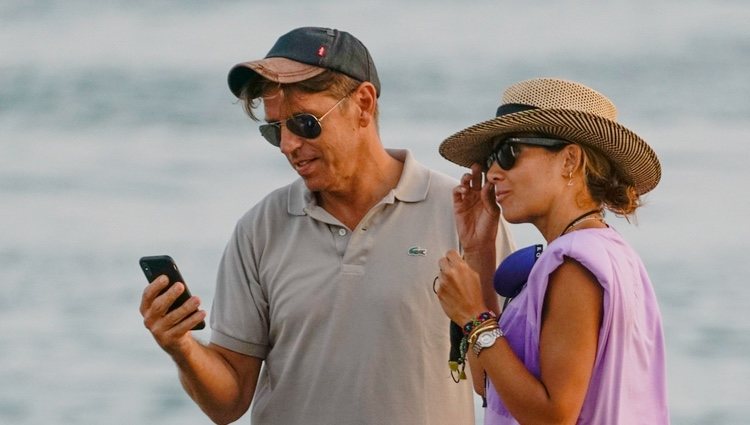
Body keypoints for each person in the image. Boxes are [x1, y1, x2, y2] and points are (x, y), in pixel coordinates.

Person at [139, 26, 514, 424]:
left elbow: (505, 380)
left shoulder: (464, 216)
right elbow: (227, 403)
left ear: (364, 104)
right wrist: (180, 344)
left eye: (304, 123)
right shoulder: (259, 229)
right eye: (274, 129)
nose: (288, 145)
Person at [434, 78, 669, 424]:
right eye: (490, 159)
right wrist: (479, 250)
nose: (493, 172)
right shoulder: (604, 251)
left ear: (570, 160)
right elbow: (489, 384)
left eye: (508, 153)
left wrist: (473, 316)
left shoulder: (574, 264)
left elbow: (553, 416)